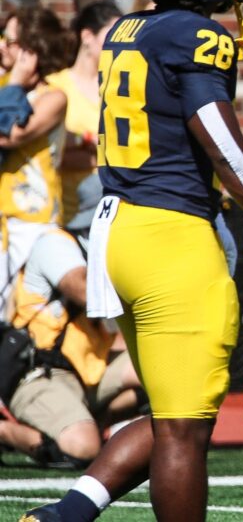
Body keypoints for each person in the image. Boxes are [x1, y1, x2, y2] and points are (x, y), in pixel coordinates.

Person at [22, 0, 243, 520]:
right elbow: (220, 139)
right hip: (170, 237)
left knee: (171, 414)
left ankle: (67, 512)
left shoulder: (128, 27)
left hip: (118, 230)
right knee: (185, 430)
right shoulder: (195, 34)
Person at [0, 175, 142, 469]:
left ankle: (86, 422)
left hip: (88, 370)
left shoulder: (107, 254)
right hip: (40, 372)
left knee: (164, 368)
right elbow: (85, 290)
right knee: (83, 449)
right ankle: (6, 433)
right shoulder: (56, 243)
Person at [0, 6, 71, 319]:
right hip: (3, 220)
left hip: (33, 224)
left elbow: (12, 135)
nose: (1, 45)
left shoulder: (52, 98)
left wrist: (15, 83)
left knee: (29, 316)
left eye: (10, 41)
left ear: (32, 51)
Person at [46, 1, 122, 222]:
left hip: (111, 209)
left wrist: (87, 148)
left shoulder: (118, 89)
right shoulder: (55, 87)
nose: (117, 45)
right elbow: (53, 154)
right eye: (111, 36)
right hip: (69, 211)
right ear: (87, 36)